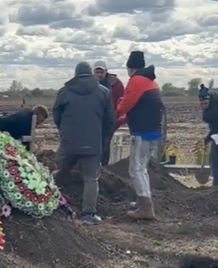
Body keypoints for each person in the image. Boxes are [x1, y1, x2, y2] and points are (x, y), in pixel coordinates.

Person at [53, 61, 116, 226]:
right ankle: (89, 214)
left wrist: (65, 132)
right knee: (91, 179)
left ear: (76, 74)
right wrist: (102, 137)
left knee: (59, 173)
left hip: (69, 142)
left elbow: (57, 116)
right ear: (91, 73)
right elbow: (110, 119)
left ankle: (48, 204)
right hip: (93, 143)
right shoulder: (103, 92)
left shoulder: (64, 92)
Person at [115, 50, 164, 221]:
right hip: (152, 131)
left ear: (130, 68)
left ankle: (145, 208)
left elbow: (124, 106)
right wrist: (125, 119)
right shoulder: (150, 81)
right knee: (141, 168)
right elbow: (142, 107)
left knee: (136, 169)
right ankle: (143, 200)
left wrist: (116, 113)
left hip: (143, 133)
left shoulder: (136, 81)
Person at [93, 61, 125, 166]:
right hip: (94, 119)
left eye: (101, 72)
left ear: (106, 71)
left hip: (109, 120)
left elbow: (122, 101)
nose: (99, 75)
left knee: (105, 143)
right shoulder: (90, 84)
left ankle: (104, 166)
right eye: (97, 72)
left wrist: (117, 119)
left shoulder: (116, 84)